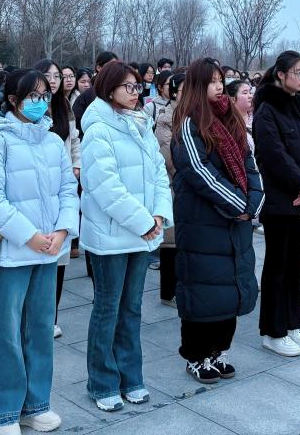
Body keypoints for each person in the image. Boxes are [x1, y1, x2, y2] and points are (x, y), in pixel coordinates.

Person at [0, 69, 79, 434]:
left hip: (47, 251)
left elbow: (68, 189)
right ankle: (4, 412)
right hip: (11, 255)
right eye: (33, 96)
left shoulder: (53, 141)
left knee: (40, 331)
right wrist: (28, 235)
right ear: (13, 100)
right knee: (6, 335)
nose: (41, 102)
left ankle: (36, 404)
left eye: (45, 95)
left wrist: (62, 231)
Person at [79, 60, 173, 412]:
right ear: (109, 89)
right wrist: (144, 221)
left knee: (131, 309)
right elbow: (105, 187)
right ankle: (102, 382)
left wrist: (159, 214)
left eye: (137, 87)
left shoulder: (141, 123)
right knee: (108, 308)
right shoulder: (98, 129)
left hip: (143, 232)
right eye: (128, 87)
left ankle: (131, 377)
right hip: (111, 235)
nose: (135, 93)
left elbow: (159, 175)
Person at [170, 58, 263, 382]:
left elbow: (250, 164)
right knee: (203, 290)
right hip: (203, 220)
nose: (218, 85)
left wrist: (253, 204)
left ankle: (219, 351)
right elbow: (199, 172)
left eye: (220, 79)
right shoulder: (189, 123)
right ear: (197, 85)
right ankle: (196, 355)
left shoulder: (230, 118)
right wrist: (239, 204)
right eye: (211, 81)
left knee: (229, 290)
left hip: (235, 221)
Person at [252, 51, 300, 355]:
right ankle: (273, 330)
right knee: (277, 266)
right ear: (280, 74)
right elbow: (273, 155)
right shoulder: (267, 109)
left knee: (296, 265)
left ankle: (293, 324)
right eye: (297, 72)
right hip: (280, 198)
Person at [33, 59, 83, 339]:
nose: (53, 81)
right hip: (37, 189)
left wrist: (76, 165)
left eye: (56, 76)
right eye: (47, 75)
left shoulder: (65, 107)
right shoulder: (32, 108)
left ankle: (51, 316)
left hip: (62, 186)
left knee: (59, 258)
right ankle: (34, 315)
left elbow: (74, 141)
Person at [154, 71, 184, 307]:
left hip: (190, 187)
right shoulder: (166, 119)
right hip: (174, 186)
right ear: (173, 93)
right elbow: (170, 158)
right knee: (171, 242)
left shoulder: (196, 116)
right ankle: (168, 292)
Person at [72, 51, 119, 139]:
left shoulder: (121, 91)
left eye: (116, 66)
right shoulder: (86, 96)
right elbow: (77, 127)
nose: (114, 69)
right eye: (110, 65)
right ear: (99, 67)